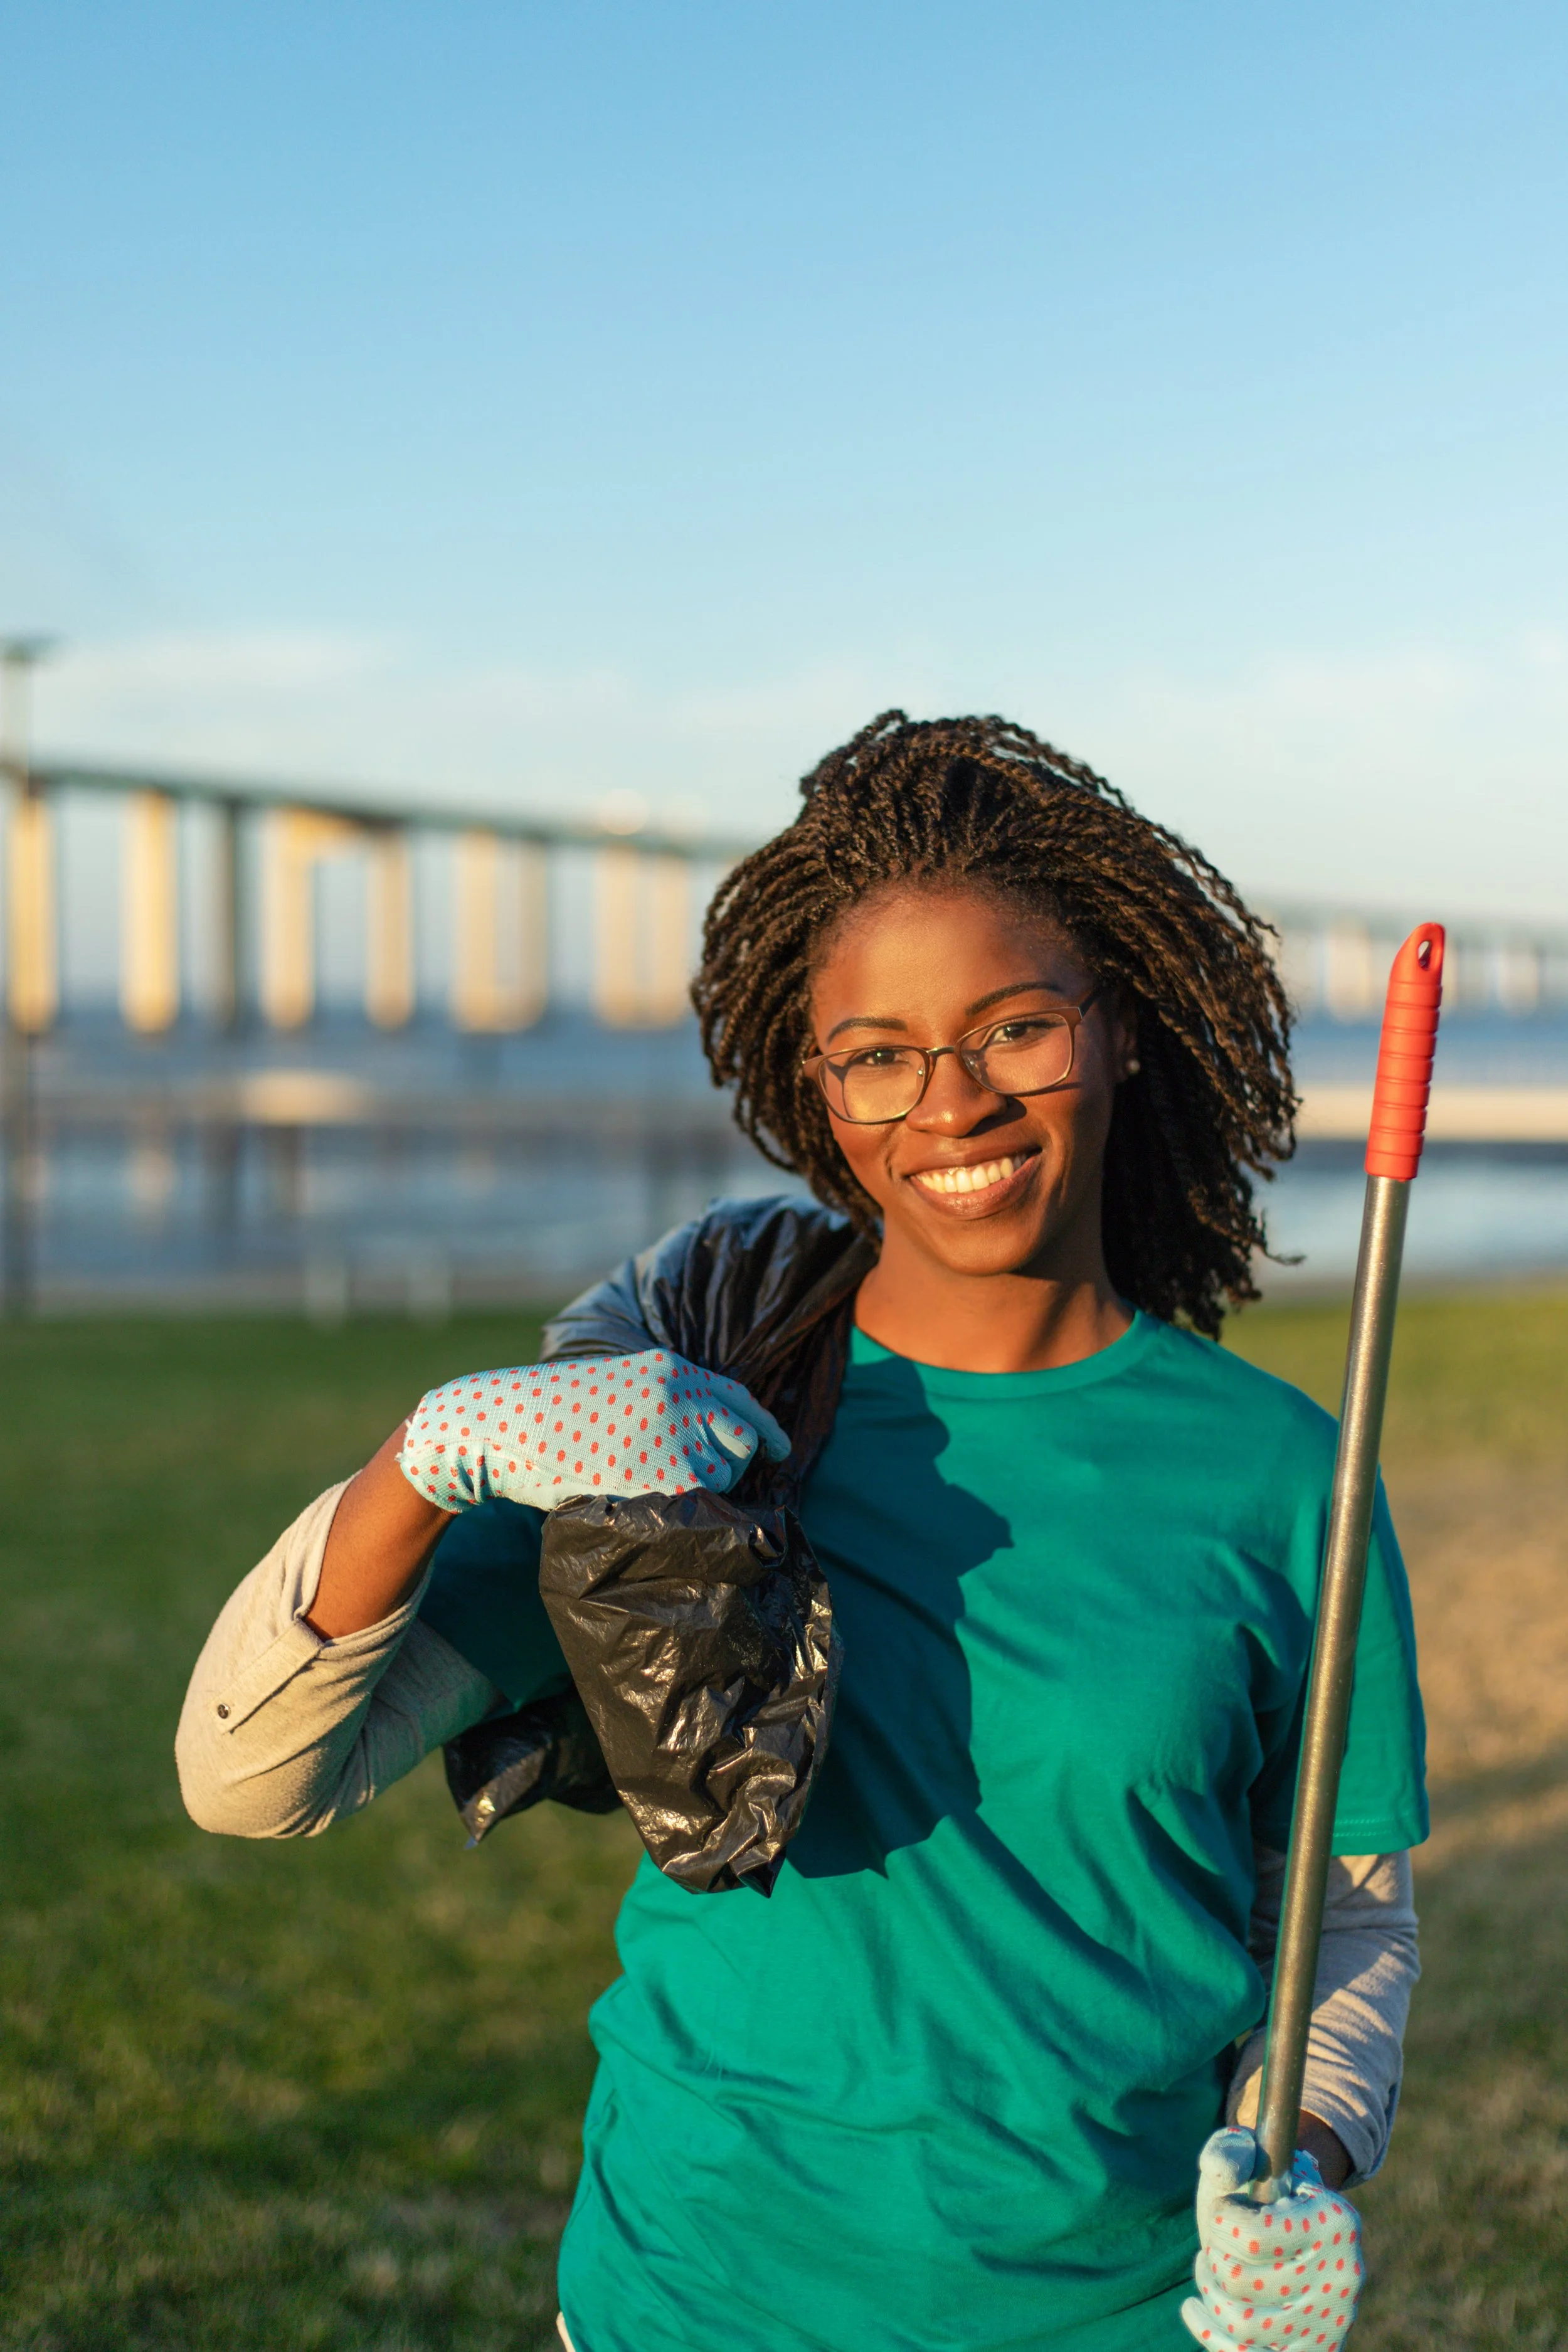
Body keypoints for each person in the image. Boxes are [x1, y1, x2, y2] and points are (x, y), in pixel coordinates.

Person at [178, 713, 1424, 2352]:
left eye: (1016, 1027)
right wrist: (431, 1454)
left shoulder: (1282, 1472)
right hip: (695, 2295)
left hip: (1121, 2313)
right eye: (879, 1052)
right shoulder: (682, 1420)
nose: (952, 1102)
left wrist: (1307, 2155)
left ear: (1115, 1033)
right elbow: (248, 1783)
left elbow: (1340, 1915)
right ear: (814, 1081)